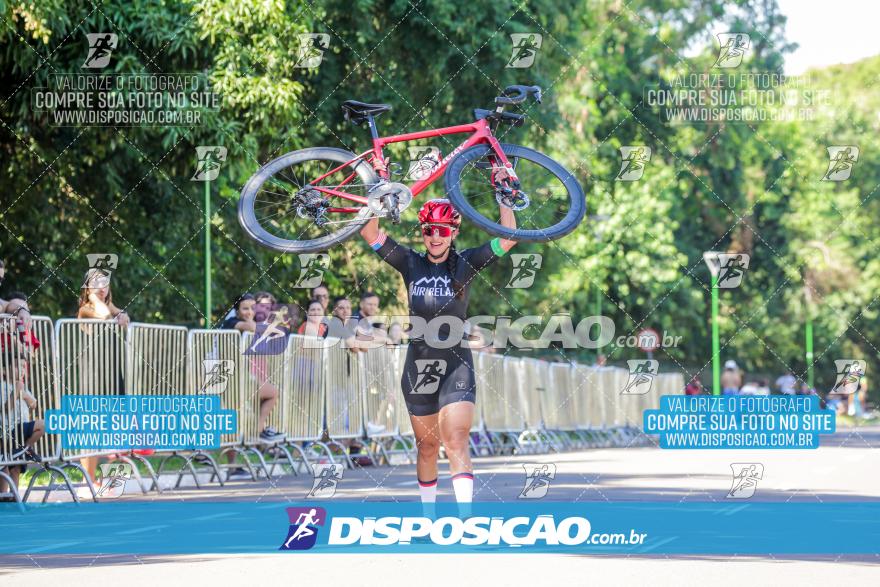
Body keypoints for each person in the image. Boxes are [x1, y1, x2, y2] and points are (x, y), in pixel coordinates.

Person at [359, 197, 516, 507]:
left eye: (442, 231)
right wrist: (378, 194)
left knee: (456, 441)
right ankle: (427, 519)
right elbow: (370, 233)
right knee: (428, 446)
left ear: (453, 232)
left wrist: (504, 195)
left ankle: (465, 520)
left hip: (456, 363)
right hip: (418, 366)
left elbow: (509, 237)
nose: (435, 237)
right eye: (429, 230)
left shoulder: (467, 262)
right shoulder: (410, 262)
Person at [77, 269, 129, 489]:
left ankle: (104, 478)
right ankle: (87, 479)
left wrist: (122, 313)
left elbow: (121, 315)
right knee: (93, 427)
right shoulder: (87, 308)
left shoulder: (108, 306)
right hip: (93, 373)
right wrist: (93, 297)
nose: (102, 287)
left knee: (112, 426)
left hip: (110, 371)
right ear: (87, 287)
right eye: (96, 284)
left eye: (105, 284)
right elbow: (105, 315)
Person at [0, 344, 44, 498]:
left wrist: (24, 394)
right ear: (5, 370)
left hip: (21, 430)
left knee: (15, 467)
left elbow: (34, 404)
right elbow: (6, 408)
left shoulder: (23, 387)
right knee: (43, 424)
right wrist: (16, 392)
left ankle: (13, 498)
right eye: (18, 366)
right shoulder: (3, 386)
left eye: (23, 367)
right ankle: (27, 448)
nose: (22, 370)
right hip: (10, 430)